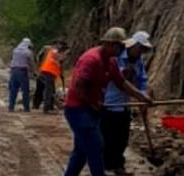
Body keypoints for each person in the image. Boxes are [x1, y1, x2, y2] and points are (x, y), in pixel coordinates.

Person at [63, 28, 153, 176]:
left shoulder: (111, 61)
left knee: (82, 150)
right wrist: (92, 102)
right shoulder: (91, 59)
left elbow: (121, 83)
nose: (123, 50)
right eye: (120, 46)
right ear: (110, 44)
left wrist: (141, 97)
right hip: (78, 109)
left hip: (92, 108)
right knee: (95, 146)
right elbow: (79, 85)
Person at [101, 31, 152, 175]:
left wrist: (144, 96)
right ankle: (106, 165)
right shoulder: (116, 56)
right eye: (140, 48)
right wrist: (140, 95)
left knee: (122, 138)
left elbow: (142, 80)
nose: (141, 52)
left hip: (125, 104)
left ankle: (118, 165)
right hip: (109, 103)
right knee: (108, 137)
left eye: (143, 50)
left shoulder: (138, 61)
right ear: (133, 45)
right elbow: (119, 81)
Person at [35, 40, 69, 113]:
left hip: (47, 72)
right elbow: (58, 60)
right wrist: (63, 56)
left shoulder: (53, 51)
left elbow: (59, 65)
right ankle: (46, 108)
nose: (66, 54)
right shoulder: (55, 52)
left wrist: (61, 74)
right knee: (48, 91)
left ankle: (49, 106)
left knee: (50, 90)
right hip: (48, 72)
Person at [8, 37, 35, 112]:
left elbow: (12, 60)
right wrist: (33, 71)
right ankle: (26, 108)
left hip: (13, 71)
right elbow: (31, 63)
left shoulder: (15, 50)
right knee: (25, 90)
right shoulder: (28, 52)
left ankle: (11, 107)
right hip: (22, 71)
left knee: (13, 90)